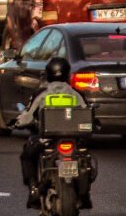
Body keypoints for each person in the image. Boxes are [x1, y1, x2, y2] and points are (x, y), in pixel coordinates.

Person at [14, 56, 94, 192]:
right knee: (86, 160)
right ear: (67, 73)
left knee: (27, 156)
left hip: (47, 140)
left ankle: (33, 188)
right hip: (74, 139)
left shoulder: (41, 94)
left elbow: (27, 116)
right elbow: (88, 114)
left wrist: (18, 123)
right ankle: (84, 192)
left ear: (48, 74)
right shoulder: (77, 94)